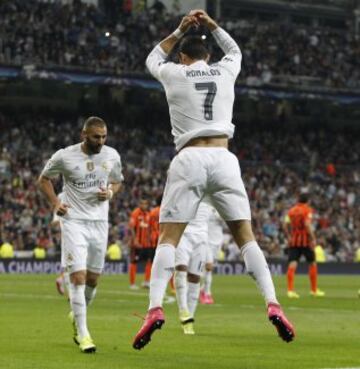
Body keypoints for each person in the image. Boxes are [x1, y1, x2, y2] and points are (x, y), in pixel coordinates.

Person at [132, 10, 295, 350]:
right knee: (245, 237)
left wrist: (180, 28)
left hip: (189, 157)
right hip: (224, 157)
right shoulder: (224, 70)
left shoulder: (174, 73)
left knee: (167, 239)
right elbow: (236, 51)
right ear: (208, 56)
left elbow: (152, 56)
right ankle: (273, 302)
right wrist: (212, 25)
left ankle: (155, 308)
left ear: (183, 56)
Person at [38, 116, 123, 353]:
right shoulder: (65, 156)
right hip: (74, 221)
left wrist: (110, 193)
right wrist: (56, 203)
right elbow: (43, 180)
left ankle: (77, 315)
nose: (101, 141)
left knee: (93, 280)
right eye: (96, 136)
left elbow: (117, 182)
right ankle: (84, 334)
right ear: (83, 135)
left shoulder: (112, 155)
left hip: (99, 223)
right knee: (78, 277)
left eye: (104, 136)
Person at [175, 201, 211, 335]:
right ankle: (183, 311)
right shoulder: (187, 183)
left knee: (195, 278)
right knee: (180, 270)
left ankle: (189, 318)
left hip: (201, 238)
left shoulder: (211, 190)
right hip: (183, 233)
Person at [284, 193, 325, 298]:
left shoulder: (291, 210)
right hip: (305, 241)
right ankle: (313, 290)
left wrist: (288, 236)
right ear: (307, 201)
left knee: (292, 264)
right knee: (312, 263)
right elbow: (307, 224)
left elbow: (285, 224)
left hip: (293, 241)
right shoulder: (307, 210)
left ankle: (290, 291)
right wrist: (313, 238)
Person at [200, 206, 224, 304]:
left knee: (208, 269)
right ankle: (207, 293)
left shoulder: (220, 207)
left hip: (218, 242)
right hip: (207, 241)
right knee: (208, 268)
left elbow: (225, 219)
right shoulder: (205, 207)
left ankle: (201, 290)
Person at [128, 198, 152, 289]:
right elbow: (131, 227)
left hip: (147, 244)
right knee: (134, 262)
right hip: (137, 243)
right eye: (142, 203)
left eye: (145, 204)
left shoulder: (148, 214)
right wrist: (135, 240)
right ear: (139, 204)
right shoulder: (135, 213)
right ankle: (132, 284)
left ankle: (146, 281)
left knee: (149, 261)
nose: (144, 205)